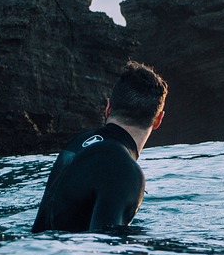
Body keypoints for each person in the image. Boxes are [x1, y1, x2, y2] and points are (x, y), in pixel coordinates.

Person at [32, 61, 168, 233]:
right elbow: (107, 248)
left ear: (108, 108)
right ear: (158, 120)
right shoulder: (125, 170)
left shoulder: (78, 143)